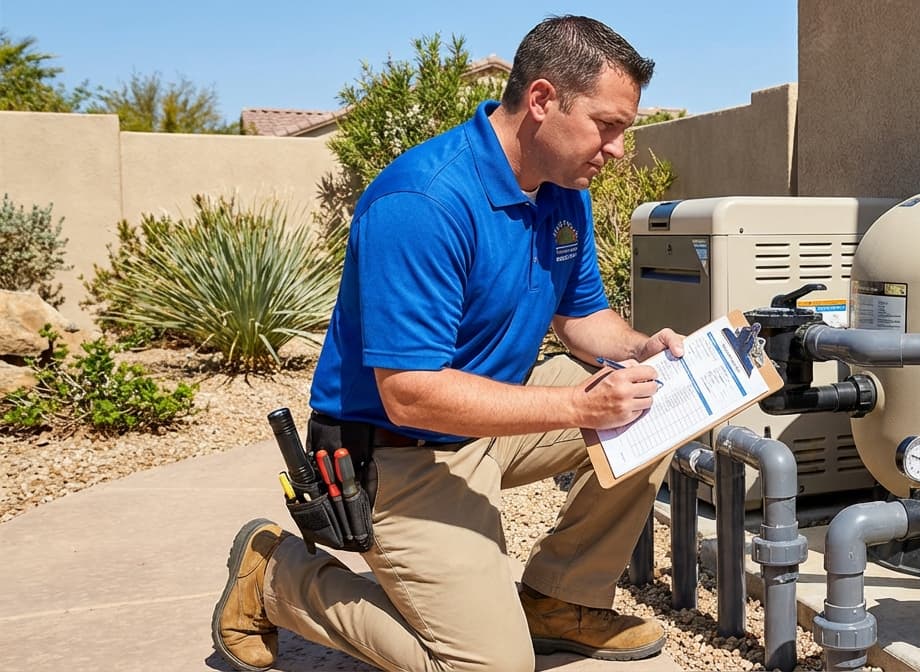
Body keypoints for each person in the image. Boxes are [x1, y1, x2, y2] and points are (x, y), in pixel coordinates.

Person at [210, 15, 686, 671]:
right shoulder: (425, 201)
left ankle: (558, 599)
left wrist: (639, 350)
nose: (618, 149)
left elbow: (582, 320)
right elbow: (409, 394)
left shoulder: (563, 189)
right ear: (544, 101)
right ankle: (277, 578)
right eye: (608, 125)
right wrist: (579, 407)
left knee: (657, 401)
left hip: (486, 418)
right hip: (397, 455)